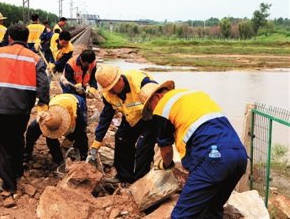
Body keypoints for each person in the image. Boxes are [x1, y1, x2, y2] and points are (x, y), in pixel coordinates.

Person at [139, 81, 247, 219]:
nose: (152, 111)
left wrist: (167, 165)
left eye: (149, 108)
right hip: (239, 156)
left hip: (214, 160)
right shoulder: (193, 96)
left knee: (182, 215)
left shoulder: (162, 107)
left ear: (156, 97)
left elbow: (165, 151)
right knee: (212, 210)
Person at [0, 24, 50, 199]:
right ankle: (18, 171)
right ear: (27, 39)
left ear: (10, 38)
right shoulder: (35, 59)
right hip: (21, 109)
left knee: (1, 146)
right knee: (16, 139)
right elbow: (43, 84)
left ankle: (9, 185)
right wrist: (43, 104)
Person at [89, 65, 159, 183]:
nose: (111, 91)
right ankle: (124, 177)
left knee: (143, 145)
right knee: (121, 138)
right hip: (131, 117)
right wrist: (97, 142)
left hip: (150, 117)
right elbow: (106, 116)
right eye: (108, 89)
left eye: (112, 88)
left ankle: (139, 180)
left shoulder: (141, 82)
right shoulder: (109, 94)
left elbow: (160, 97)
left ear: (120, 79)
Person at [24, 93, 88, 167]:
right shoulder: (46, 117)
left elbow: (80, 128)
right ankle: (28, 151)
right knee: (32, 129)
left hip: (76, 102)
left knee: (80, 133)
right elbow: (50, 137)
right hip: (56, 103)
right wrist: (59, 161)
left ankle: (84, 156)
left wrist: (66, 144)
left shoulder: (75, 113)